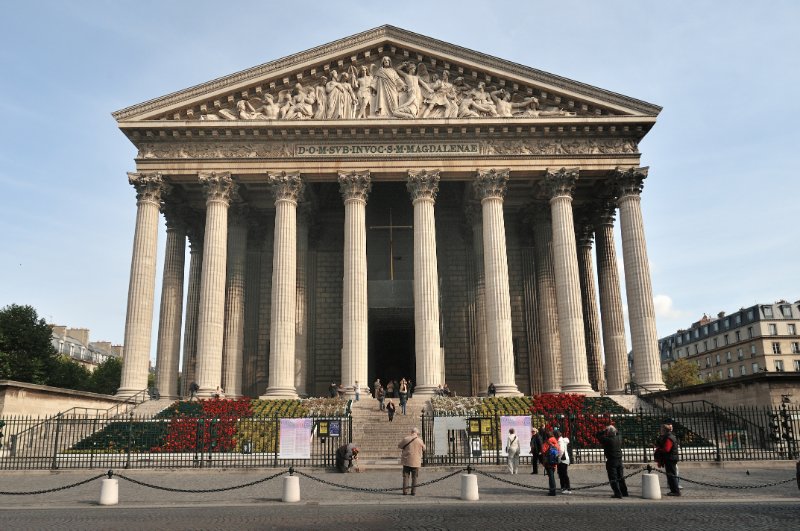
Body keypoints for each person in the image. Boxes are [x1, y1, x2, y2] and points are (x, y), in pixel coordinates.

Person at [596, 424, 629, 498]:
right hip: (619, 460)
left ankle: (618, 493)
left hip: (611, 461)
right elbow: (619, 433)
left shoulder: (607, 440)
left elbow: (597, 435)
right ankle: (624, 492)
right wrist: (612, 429)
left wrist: (604, 431)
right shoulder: (619, 438)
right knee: (620, 477)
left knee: (613, 478)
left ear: (608, 432)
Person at [398, 427, 426, 495]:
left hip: (407, 460)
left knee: (406, 476)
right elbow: (424, 449)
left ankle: (405, 491)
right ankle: (413, 491)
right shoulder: (420, 440)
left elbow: (399, 446)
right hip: (416, 461)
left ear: (411, 432)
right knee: (414, 477)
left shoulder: (406, 439)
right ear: (417, 433)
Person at [655, 423, 681, 496]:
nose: (660, 430)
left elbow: (667, 449)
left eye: (661, 429)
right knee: (671, 474)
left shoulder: (668, 437)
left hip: (670, 458)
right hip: (671, 457)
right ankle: (674, 490)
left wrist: (659, 449)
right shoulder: (670, 436)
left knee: (671, 475)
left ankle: (675, 491)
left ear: (664, 430)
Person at [540, 429, 559, 496]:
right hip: (554, 461)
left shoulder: (547, 442)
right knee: (552, 476)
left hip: (548, 462)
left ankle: (552, 491)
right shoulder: (555, 442)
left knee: (551, 477)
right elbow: (558, 450)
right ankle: (552, 489)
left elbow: (543, 450)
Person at [554, 428, 572, 494]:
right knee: (561, 474)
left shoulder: (560, 441)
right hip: (563, 459)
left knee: (564, 474)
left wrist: (557, 456)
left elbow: (561, 451)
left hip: (562, 459)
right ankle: (563, 487)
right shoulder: (562, 440)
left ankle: (567, 488)